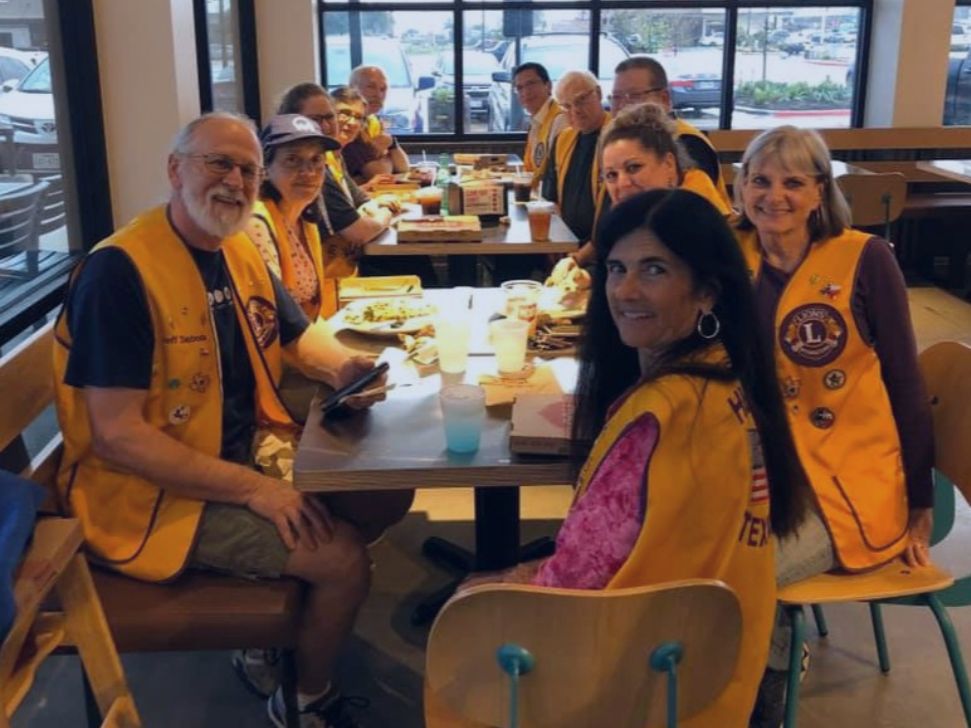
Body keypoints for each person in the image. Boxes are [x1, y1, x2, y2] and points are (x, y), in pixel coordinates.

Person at [52, 112, 406, 728]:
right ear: (174, 170)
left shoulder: (234, 246)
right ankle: (303, 699)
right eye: (219, 163)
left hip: (236, 453)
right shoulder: (120, 272)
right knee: (343, 559)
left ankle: (274, 645)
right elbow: (118, 434)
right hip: (145, 495)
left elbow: (298, 339)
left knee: (382, 489)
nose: (236, 181)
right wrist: (258, 490)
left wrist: (347, 369)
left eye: (247, 169)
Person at [459, 189, 809, 726]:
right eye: (616, 268)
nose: (623, 290)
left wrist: (506, 582)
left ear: (707, 292)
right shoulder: (734, 381)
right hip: (717, 663)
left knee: (462, 615)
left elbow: (581, 578)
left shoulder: (658, 417)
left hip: (633, 672)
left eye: (654, 270)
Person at [732, 126, 934, 725]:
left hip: (847, 483)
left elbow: (906, 383)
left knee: (741, 570)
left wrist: (919, 501)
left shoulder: (865, 259)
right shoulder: (734, 254)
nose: (775, 197)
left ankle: (762, 699)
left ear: (820, 192)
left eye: (794, 182)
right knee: (687, 545)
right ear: (740, 186)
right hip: (760, 466)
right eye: (760, 180)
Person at [552, 101, 731, 276]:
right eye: (611, 175)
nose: (622, 183)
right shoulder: (630, 210)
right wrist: (577, 266)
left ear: (669, 164)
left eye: (634, 167)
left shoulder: (696, 208)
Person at [610, 56, 730, 207]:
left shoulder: (688, 144)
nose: (623, 106)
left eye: (634, 96)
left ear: (664, 98)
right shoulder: (619, 146)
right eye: (616, 97)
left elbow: (688, 214)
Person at [541, 70, 611, 248]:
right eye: (566, 106)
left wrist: (584, 253)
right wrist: (557, 239)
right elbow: (550, 198)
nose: (575, 111)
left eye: (581, 100)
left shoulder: (618, 138)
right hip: (566, 241)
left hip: (604, 245)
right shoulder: (563, 139)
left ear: (599, 93)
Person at [346, 65, 409, 184]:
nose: (378, 95)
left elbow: (403, 167)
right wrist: (387, 159)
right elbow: (380, 174)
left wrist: (391, 143)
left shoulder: (372, 120)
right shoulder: (349, 126)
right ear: (352, 89)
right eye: (371, 87)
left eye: (383, 89)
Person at [512, 61, 568, 184]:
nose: (525, 92)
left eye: (530, 84)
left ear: (548, 86)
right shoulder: (536, 121)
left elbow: (558, 175)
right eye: (519, 88)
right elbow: (530, 168)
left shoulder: (560, 120)